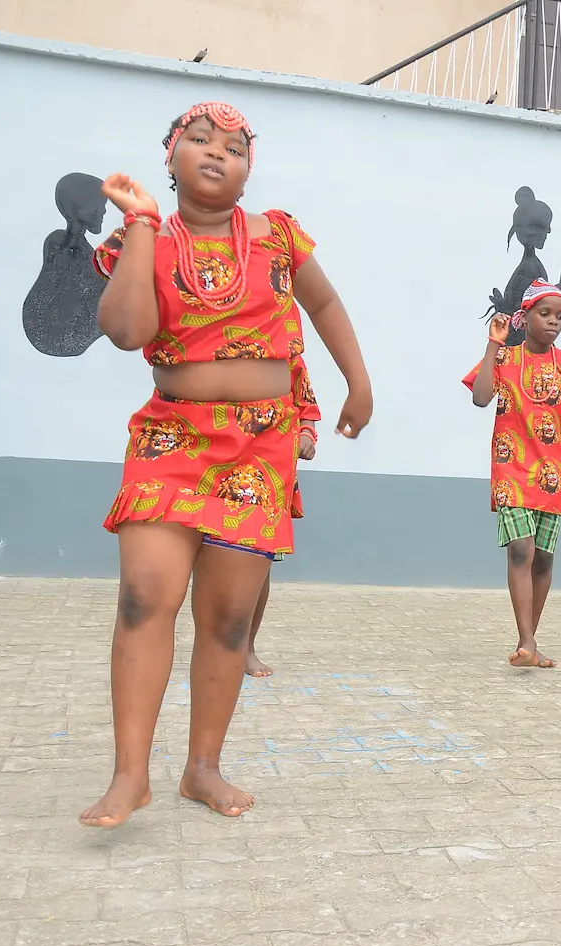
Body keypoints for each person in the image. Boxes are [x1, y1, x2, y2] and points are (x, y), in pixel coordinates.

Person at [80, 102, 373, 827]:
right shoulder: (142, 237)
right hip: (172, 438)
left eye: (234, 148)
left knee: (230, 616)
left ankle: (202, 768)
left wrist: (358, 381)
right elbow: (126, 330)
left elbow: (325, 303)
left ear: (248, 170)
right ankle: (129, 776)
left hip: (261, 444)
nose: (217, 152)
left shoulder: (277, 234)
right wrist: (141, 224)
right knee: (145, 595)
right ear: (171, 155)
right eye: (200, 140)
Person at [464, 280, 561, 668]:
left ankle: (529, 641)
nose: (554, 322)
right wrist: (493, 344)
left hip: (552, 477)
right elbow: (480, 397)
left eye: (560, 316)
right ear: (526, 316)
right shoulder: (505, 358)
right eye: (545, 314)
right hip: (511, 471)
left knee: (543, 560)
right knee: (521, 549)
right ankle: (526, 640)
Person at [243, 352, 322, 678]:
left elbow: (306, 409)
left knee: (259, 562)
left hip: (268, 472)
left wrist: (306, 436)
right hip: (212, 464)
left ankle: (246, 647)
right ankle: (218, 645)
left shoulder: (287, 355)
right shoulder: (214, 344)